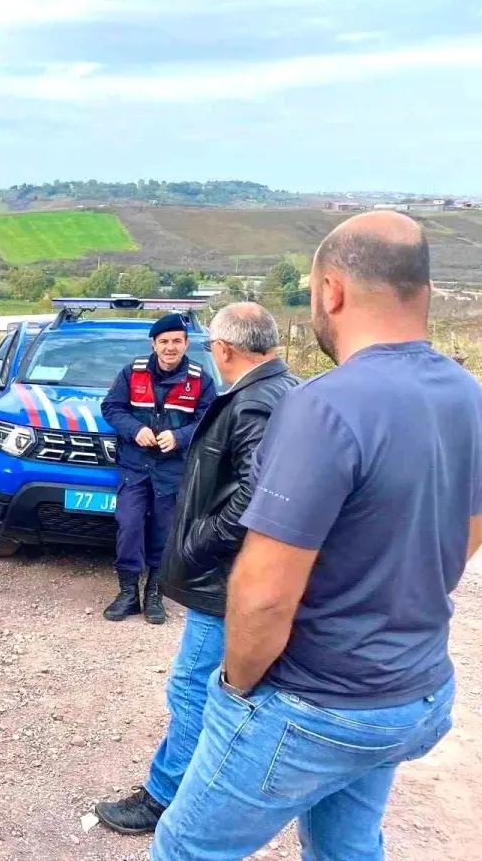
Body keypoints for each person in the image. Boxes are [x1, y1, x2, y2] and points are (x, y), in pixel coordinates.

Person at [152, 211, 482, 860]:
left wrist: (235, 691)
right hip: (413, 693)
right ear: (423, 289)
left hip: (316, 703)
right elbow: (465, 529)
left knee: (183, 849)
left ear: (331, 290)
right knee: (345, 848)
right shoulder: (467, 394)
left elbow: (264, 593)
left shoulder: (323, 406)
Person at [95, 303, 298, 835]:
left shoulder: (251, 400)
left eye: (203, 343)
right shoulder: (285, 388)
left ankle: (165, 799)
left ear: (224, 349)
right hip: (153, 482)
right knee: (225, 686)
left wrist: (198, 544)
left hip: (227, 578)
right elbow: (112, 408)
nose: (188, 349)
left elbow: (256, 493)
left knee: (191, 687)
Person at [100, 313, 216, 624]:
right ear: (154, 344)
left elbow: (208, 420)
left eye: (176, 341)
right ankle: (127, 594)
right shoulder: (132, 372)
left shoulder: (200, 379)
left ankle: (154, 595)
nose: (170, 347)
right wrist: (134, 429)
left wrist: (179, 437)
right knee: (129, 525)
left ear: (186, 343)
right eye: (164, 341)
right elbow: (111, 407)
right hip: (135, 465)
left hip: (173, 469)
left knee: (164, 533)